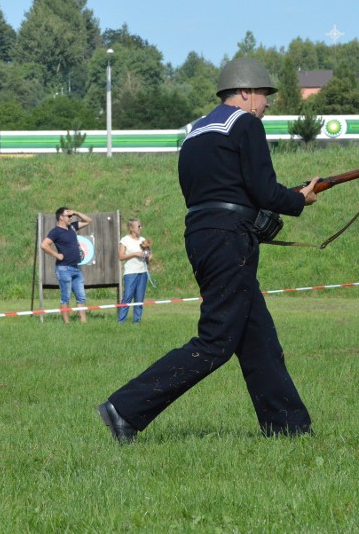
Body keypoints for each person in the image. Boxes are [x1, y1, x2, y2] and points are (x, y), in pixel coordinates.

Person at [98, 58, 320, 442]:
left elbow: (214, 191)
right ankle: (126, 408)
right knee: (216, 340)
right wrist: (300, 198)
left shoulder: (195, 132)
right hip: (229, 238)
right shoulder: (245, 124)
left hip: (204, 234)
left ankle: (289, 428)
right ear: (247, 93)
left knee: (259, 340)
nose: (267, 105)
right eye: (265, 96)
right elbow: (265, 191)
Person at [40, 208, 93, 323]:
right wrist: (57, 255)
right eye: (68, 216)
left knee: (81, 296)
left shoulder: (72, 227)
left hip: (75, 268)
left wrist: (77, 212)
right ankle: (67, 323)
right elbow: (44, 245)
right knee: (66, 297)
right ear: (61, 217)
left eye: (71, 216)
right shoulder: (55, 231)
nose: (71, 218)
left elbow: (89, 221)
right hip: (64, 269)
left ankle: (84, 322)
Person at [117, 218, 151, 324]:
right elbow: (121, 257)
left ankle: (137, 321)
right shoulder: (125, 240)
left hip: (143, 272)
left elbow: (149, 255)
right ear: (131, 228)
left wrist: (147, 255)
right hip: (131, 273)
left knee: (139, 298)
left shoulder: (143, 240)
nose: (140, 228)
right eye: (138, 226)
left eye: (140, 226)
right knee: (127, 296)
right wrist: (135, 254)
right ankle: (121, 321)